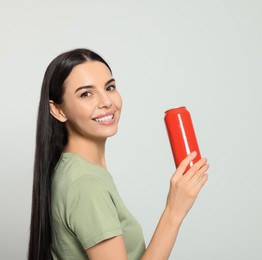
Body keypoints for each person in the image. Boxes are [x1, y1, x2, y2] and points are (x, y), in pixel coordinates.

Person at [28, 48, 209, 260]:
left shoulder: (74, 170)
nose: (106, 102)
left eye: (110, 87)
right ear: (58, 110)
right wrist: (174, 212)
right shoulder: (86, 184)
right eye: (86, 93)